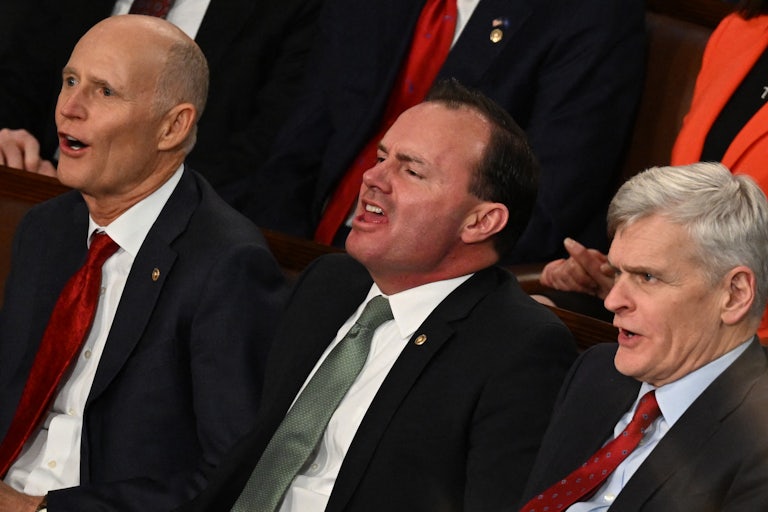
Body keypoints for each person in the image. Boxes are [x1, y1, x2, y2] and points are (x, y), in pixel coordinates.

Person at [177, 80, 578, 512]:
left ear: (480, 221)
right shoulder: (330, 284)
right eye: (382, 157)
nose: (372, 178)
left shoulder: (518, 347)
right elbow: (244, 450)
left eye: (411, 170)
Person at [0, 15, 287, 511]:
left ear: (173, 126)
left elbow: (230, 477)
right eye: (70, 81)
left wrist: (41, 509)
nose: (69, 108)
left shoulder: (227, 265)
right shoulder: (45, 229)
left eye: (104, 91)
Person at [237, 0, 646, 264]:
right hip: (304, 246)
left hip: (428, 274)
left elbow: (546, 212)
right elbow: (296, 144)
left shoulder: (594, 14)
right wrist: (271, 253)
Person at [520, 162, 768, 511]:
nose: (612, 300)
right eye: (618, 272)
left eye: (647, 277)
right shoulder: (596, 372)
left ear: (734, 294)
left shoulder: (757, 438)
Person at [538, 0, 768, 338]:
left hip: (747, 335)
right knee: (535, 317)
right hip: (680, 312)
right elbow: (690, 209)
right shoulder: (739, 32)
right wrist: (627, 276)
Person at [0, 0, 322, 190]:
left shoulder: (293, 12)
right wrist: (11, 150)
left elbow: (261, 157)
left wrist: (116, 196)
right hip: (31, 191)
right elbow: (18, 83)